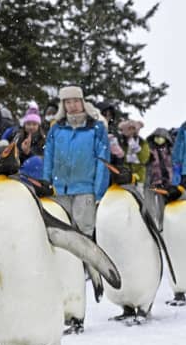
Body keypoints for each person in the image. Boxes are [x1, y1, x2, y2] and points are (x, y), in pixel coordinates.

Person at [43, 85, 110, 236]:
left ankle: (85, 261)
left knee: (84, 234)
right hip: (58, 190)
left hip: (85, 191)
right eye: (67, 102)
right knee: (59, 234)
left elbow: (103, 163)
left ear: (82, 102)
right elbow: (48, 158)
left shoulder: (96, 128)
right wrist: (46, 184)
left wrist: (99, 193)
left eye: (75, 101)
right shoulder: (56, 129)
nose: (72, 106)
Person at [145, 127, 174, 225]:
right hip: (152, 182)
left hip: (166, 182)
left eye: (161, 137)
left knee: (165, 207)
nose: (159, 139)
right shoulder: (149, 149)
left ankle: (164, 225)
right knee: (150, 207)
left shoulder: (170, 151)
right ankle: (152, 224)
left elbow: (171, 166)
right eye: (157, 137)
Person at [117, 119, 150, 191]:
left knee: (138, 197)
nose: (131, 131)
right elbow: (119, 157)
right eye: (129, 129)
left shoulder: (142, 142)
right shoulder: (120, 141)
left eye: (133, 129)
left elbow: (144, 159)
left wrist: (136, 148)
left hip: (139, 176)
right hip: (123, 175)